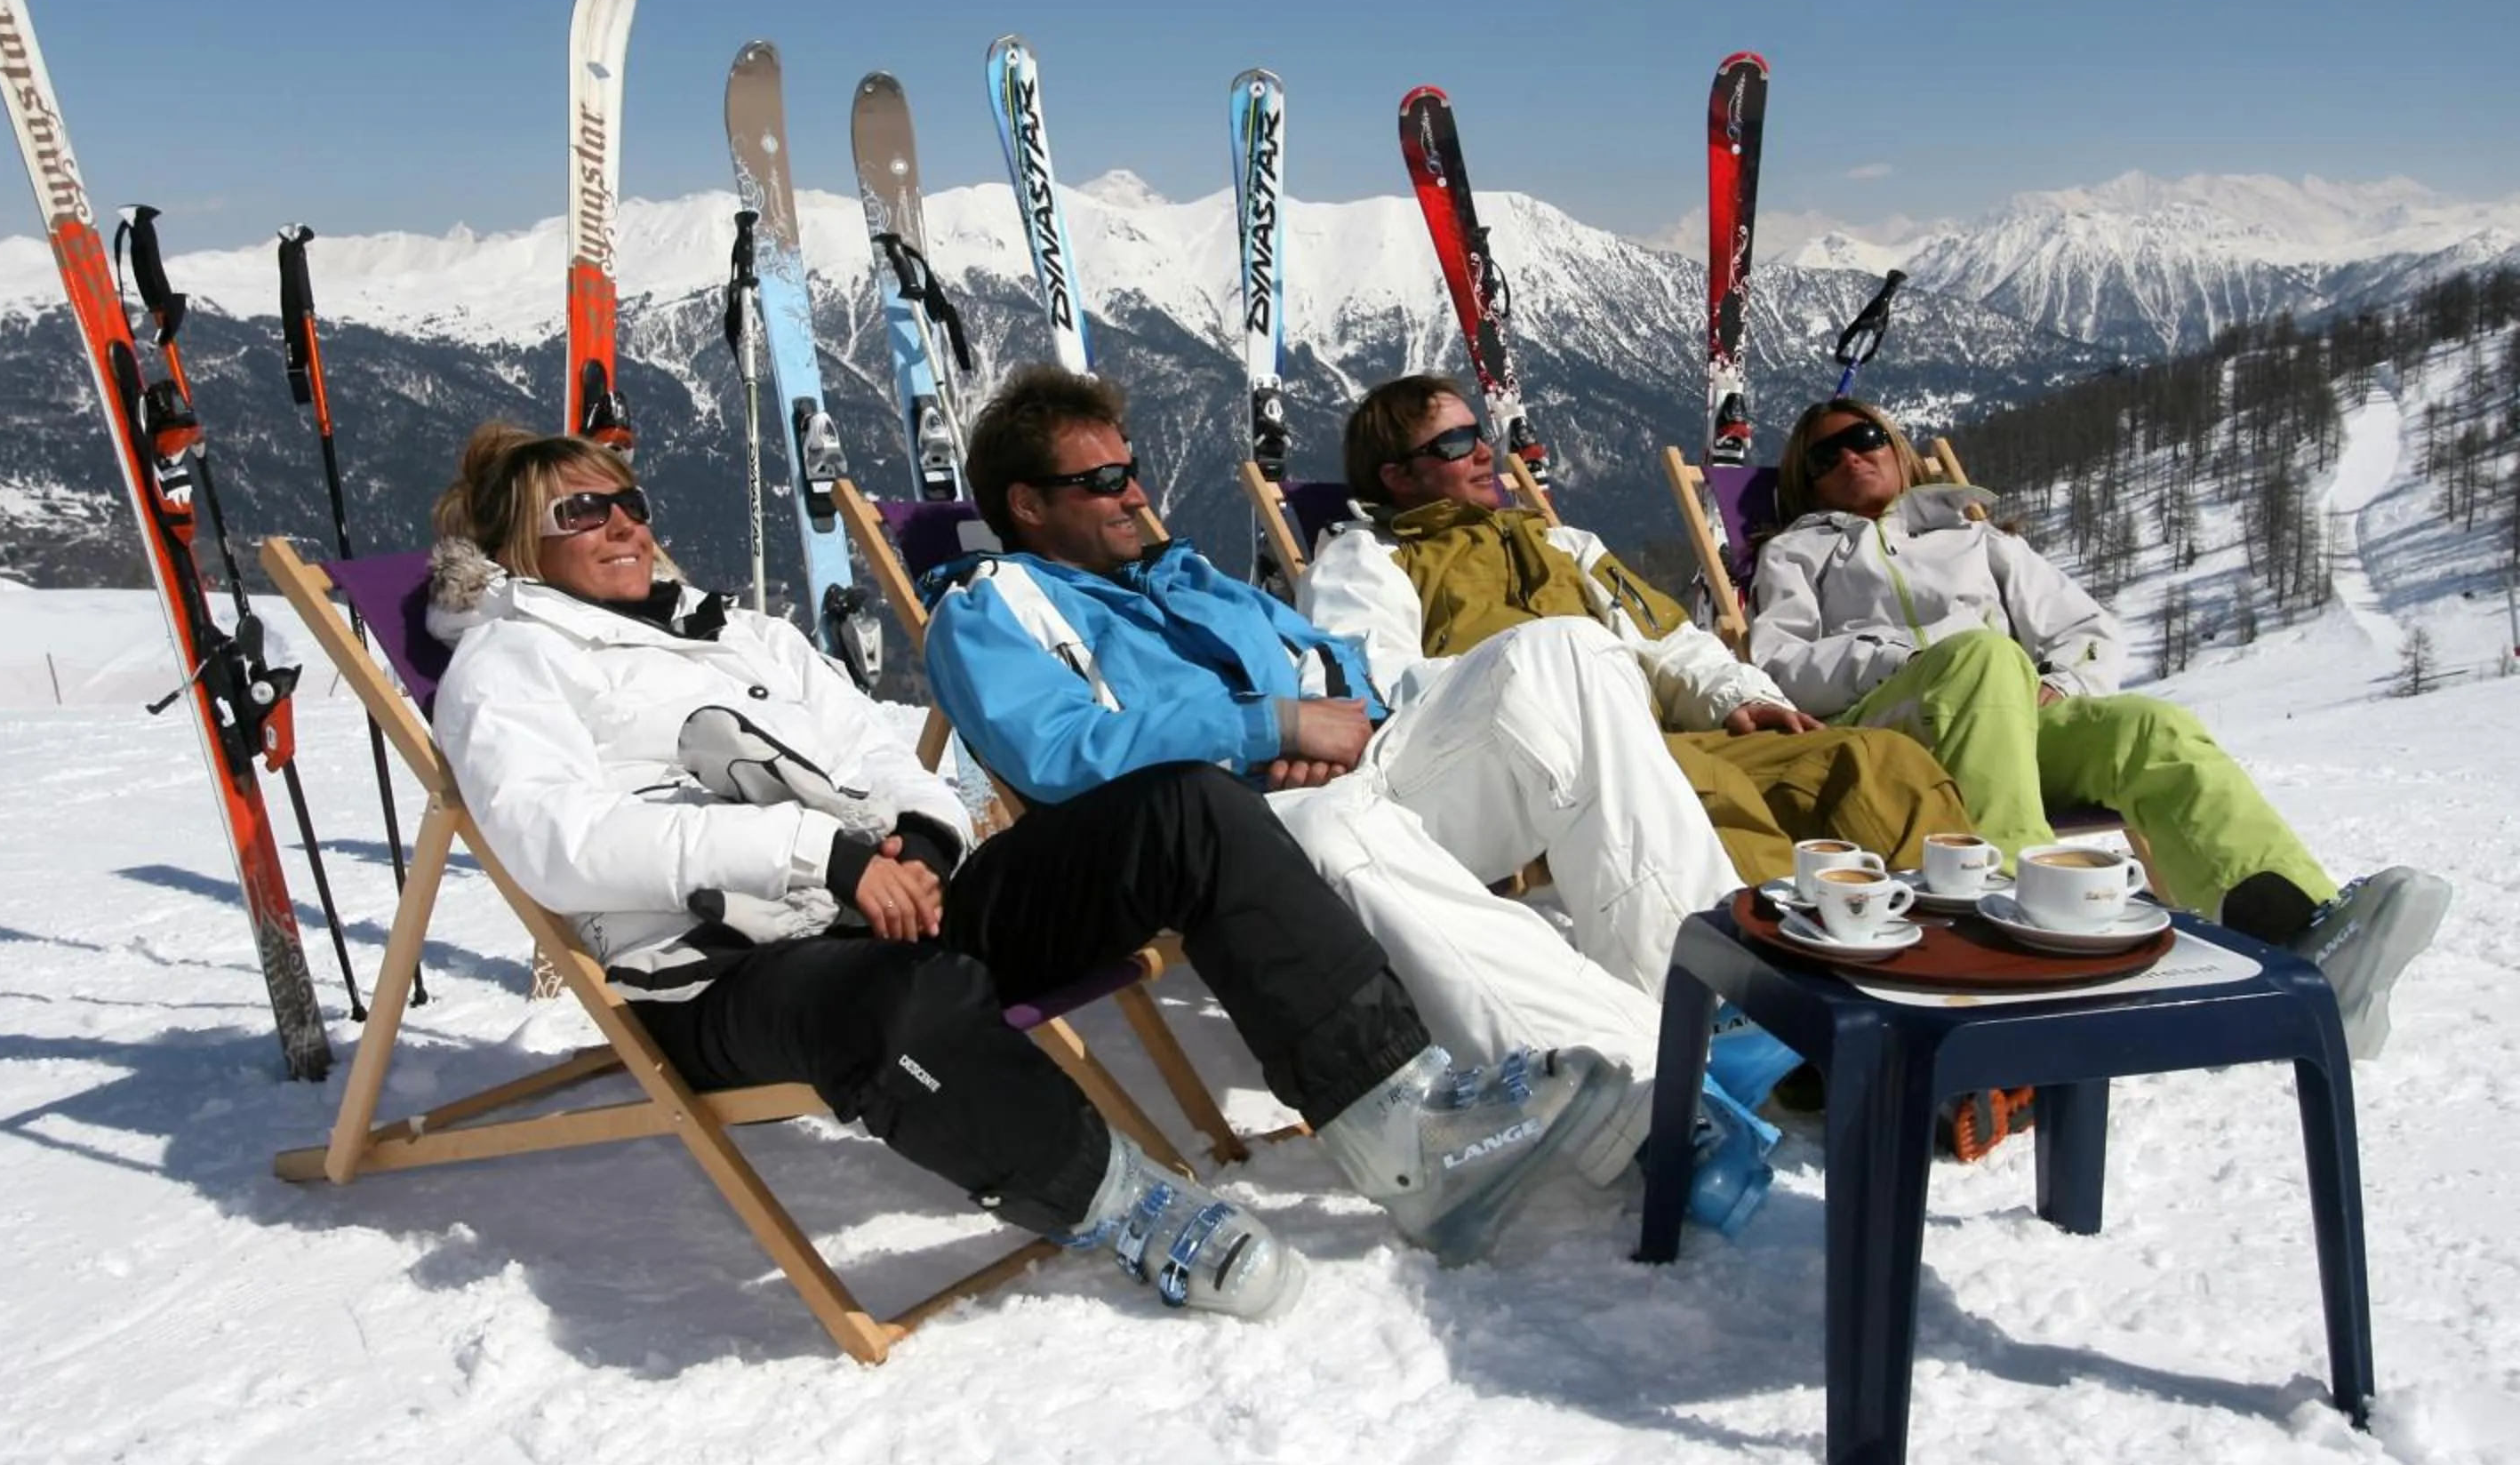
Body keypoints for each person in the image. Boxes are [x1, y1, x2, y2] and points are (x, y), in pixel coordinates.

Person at [423, 424, 1635, 1320]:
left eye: (627, 499)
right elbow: (558, 842)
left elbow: (874, 752)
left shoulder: (738, 629)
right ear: (515, 545)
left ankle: (1401, 1122)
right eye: (583, 511)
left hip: (885, 890)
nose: (627, 522)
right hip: (733, 972)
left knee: (1191, 806)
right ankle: (1126, 1205)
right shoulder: (510, 662)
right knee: (901, 1002)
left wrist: (919, 838)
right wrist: (823, 854)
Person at [923, 365, 1780, 1221]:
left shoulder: (1186, 579)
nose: (1137, 493)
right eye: (1105, 480)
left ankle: (1714, 1007)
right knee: (1331, 821)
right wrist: (1273, 728)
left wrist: (1341, 722)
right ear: (1029, 505)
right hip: (1228, 834)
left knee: (1568, 652)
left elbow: (1338, 661)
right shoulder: (991, 608)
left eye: (1132, 467)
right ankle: (1652, 1100)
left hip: (1360, 765)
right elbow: (1059, 752)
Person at [1750, 396, 2451, 1059]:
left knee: (2147, 725)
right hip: (1884, 731)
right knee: (1983, 653)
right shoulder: (1798, 554)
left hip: (2007, 714)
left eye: (1864, 439)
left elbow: (2088, 631)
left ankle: (2302, 939)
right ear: (1808, 484)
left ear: (1899, 452)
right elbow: (1780, 665)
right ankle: (2027, 937)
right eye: (1824, 457)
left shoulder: (1975, 540)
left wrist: (2062, 685)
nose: (1849, 458)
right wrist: (1913, 658)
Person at [1305, 374, 1974, 894]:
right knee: (1712, 806)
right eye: (1453, 444)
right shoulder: (1368, 559)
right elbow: (1370, 687)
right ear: (1396, 476)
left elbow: (1666, 637)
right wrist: (1542, 675)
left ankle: (1962, 973)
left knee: (1878, 762)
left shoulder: (1563, 542)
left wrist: (1737, 694)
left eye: (1479, 433)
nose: (1485, 451)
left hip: (1669, 740)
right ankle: (1797, 1026)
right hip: (1552, 771)